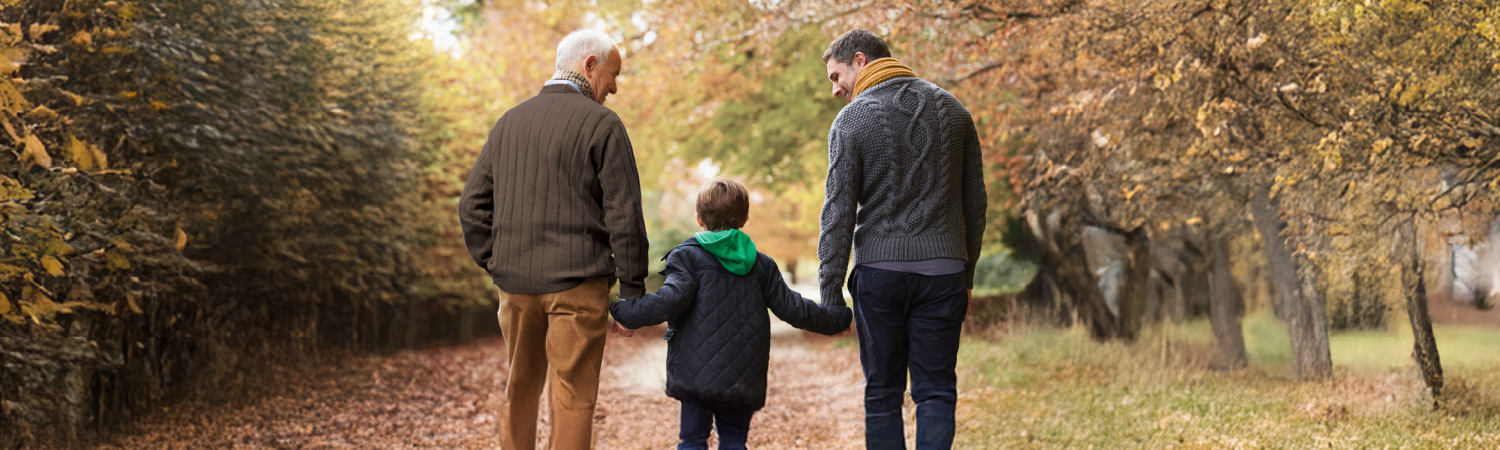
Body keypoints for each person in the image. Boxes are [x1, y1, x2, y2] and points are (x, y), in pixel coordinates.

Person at [457, 29, 648, 450]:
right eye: (613, 74)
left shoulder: (509, 121)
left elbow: (471, 206)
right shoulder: (603, 124)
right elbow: (625, 215)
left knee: (520, 387)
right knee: (573, 395)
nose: (614, 86)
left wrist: (498, 262)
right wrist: (633, 293)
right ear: (590, 64)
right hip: (579, 287)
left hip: (516, 286)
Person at [817, 29, 987, 449]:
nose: (836, 91)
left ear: (860, 60)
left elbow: (837, 213)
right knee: (936, 391)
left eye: (836, 76)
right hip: (943, 272)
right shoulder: (954, 110)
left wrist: (830, 293)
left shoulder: (851, 121)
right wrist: (967, 276)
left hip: (879, 277)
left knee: (882, 393)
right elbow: (975, 204)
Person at [610, 177, 852, 450]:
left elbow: (669, 300)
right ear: (745, 219)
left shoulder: (688, 257)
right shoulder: (762, 265)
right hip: (743, 373)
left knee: (692, 440)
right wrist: (836, 320)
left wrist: (624, 311)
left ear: (699, 218)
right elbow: (793, 308)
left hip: (695, 371)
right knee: (734, 441)